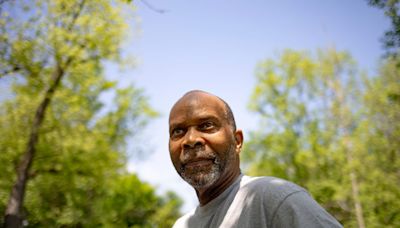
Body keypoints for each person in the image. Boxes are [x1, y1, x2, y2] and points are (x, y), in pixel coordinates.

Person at [168, 90, 343, 228]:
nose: (190, 140)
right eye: (178, 131)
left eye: (206, 125)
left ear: (237, 142)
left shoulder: (274, 200)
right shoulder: (182, 225)